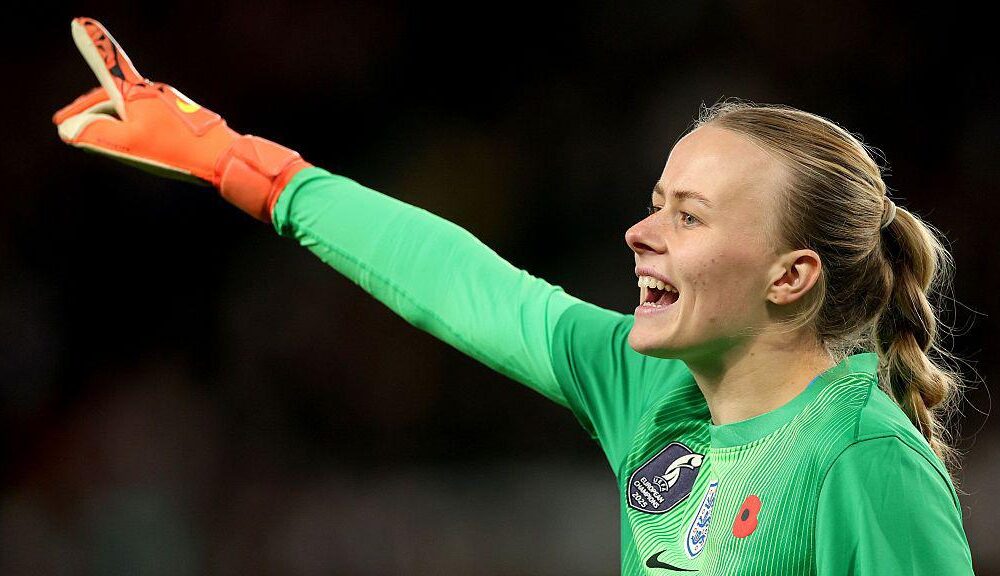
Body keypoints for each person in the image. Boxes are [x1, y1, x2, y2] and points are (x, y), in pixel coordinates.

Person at [53, 17, 976, 575]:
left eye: (689, 218)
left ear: (791, 277)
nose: (640, 232)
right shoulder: (651, 389)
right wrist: (240, 163)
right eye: (655, 204)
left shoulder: (859, 457)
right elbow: (464, 285)